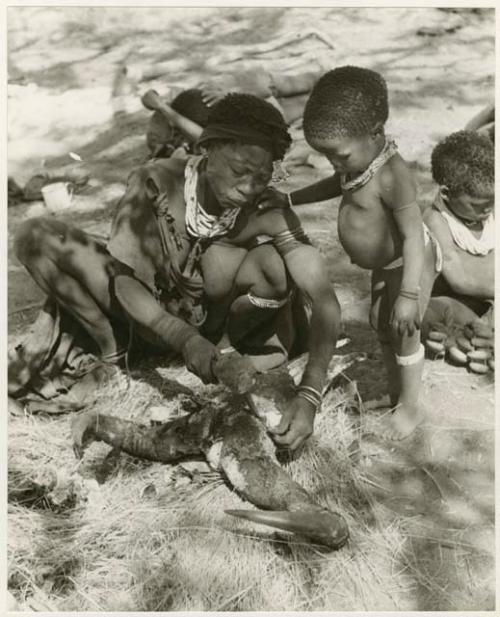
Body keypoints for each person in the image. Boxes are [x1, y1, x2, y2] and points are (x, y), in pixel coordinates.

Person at [9, 93, 342, 452]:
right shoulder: (156, 182)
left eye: (261, 177)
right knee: (36, 236)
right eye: (239, 170)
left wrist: (309, 395)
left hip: (216, 328)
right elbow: (123, 280)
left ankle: (229, 348)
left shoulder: (266, 209)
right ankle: (114, 352)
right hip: (146, 313)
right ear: (208, 148)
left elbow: (323, 300)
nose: (249, 187)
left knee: (273, 262)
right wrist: (183, 339)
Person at [257, 66, 442, 440]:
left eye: (339, 156)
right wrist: (291, 197)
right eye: (328, 158)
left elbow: (410, 237)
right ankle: (395, 394)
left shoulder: (393, 175)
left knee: (404, 328)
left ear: (375, 132)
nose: (335, 165)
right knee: (381, 324)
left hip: (408, 264)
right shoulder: (358, 161)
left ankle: (411, 408)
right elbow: (335, 185)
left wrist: (408, 294)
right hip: (385, 265)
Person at [141, 65, 325, 158]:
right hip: (261, 113)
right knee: (311, 102)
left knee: (307, 82)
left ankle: (326, 72)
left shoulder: (202, 98)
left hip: (247, 87)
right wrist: (163, 108)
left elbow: (148, 97)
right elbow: (202, 135)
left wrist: (160, 106)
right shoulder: (209, 134)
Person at [422, 130, 494, 361]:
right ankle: (467, 336)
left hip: (491, 296)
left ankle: (479, 337)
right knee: (429, 313)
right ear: (446, 193)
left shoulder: (491, 207)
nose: (487, 210)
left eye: (492, 201)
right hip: (459, 298)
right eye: (478, 205)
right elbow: (457, 277)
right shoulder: (436, 220)